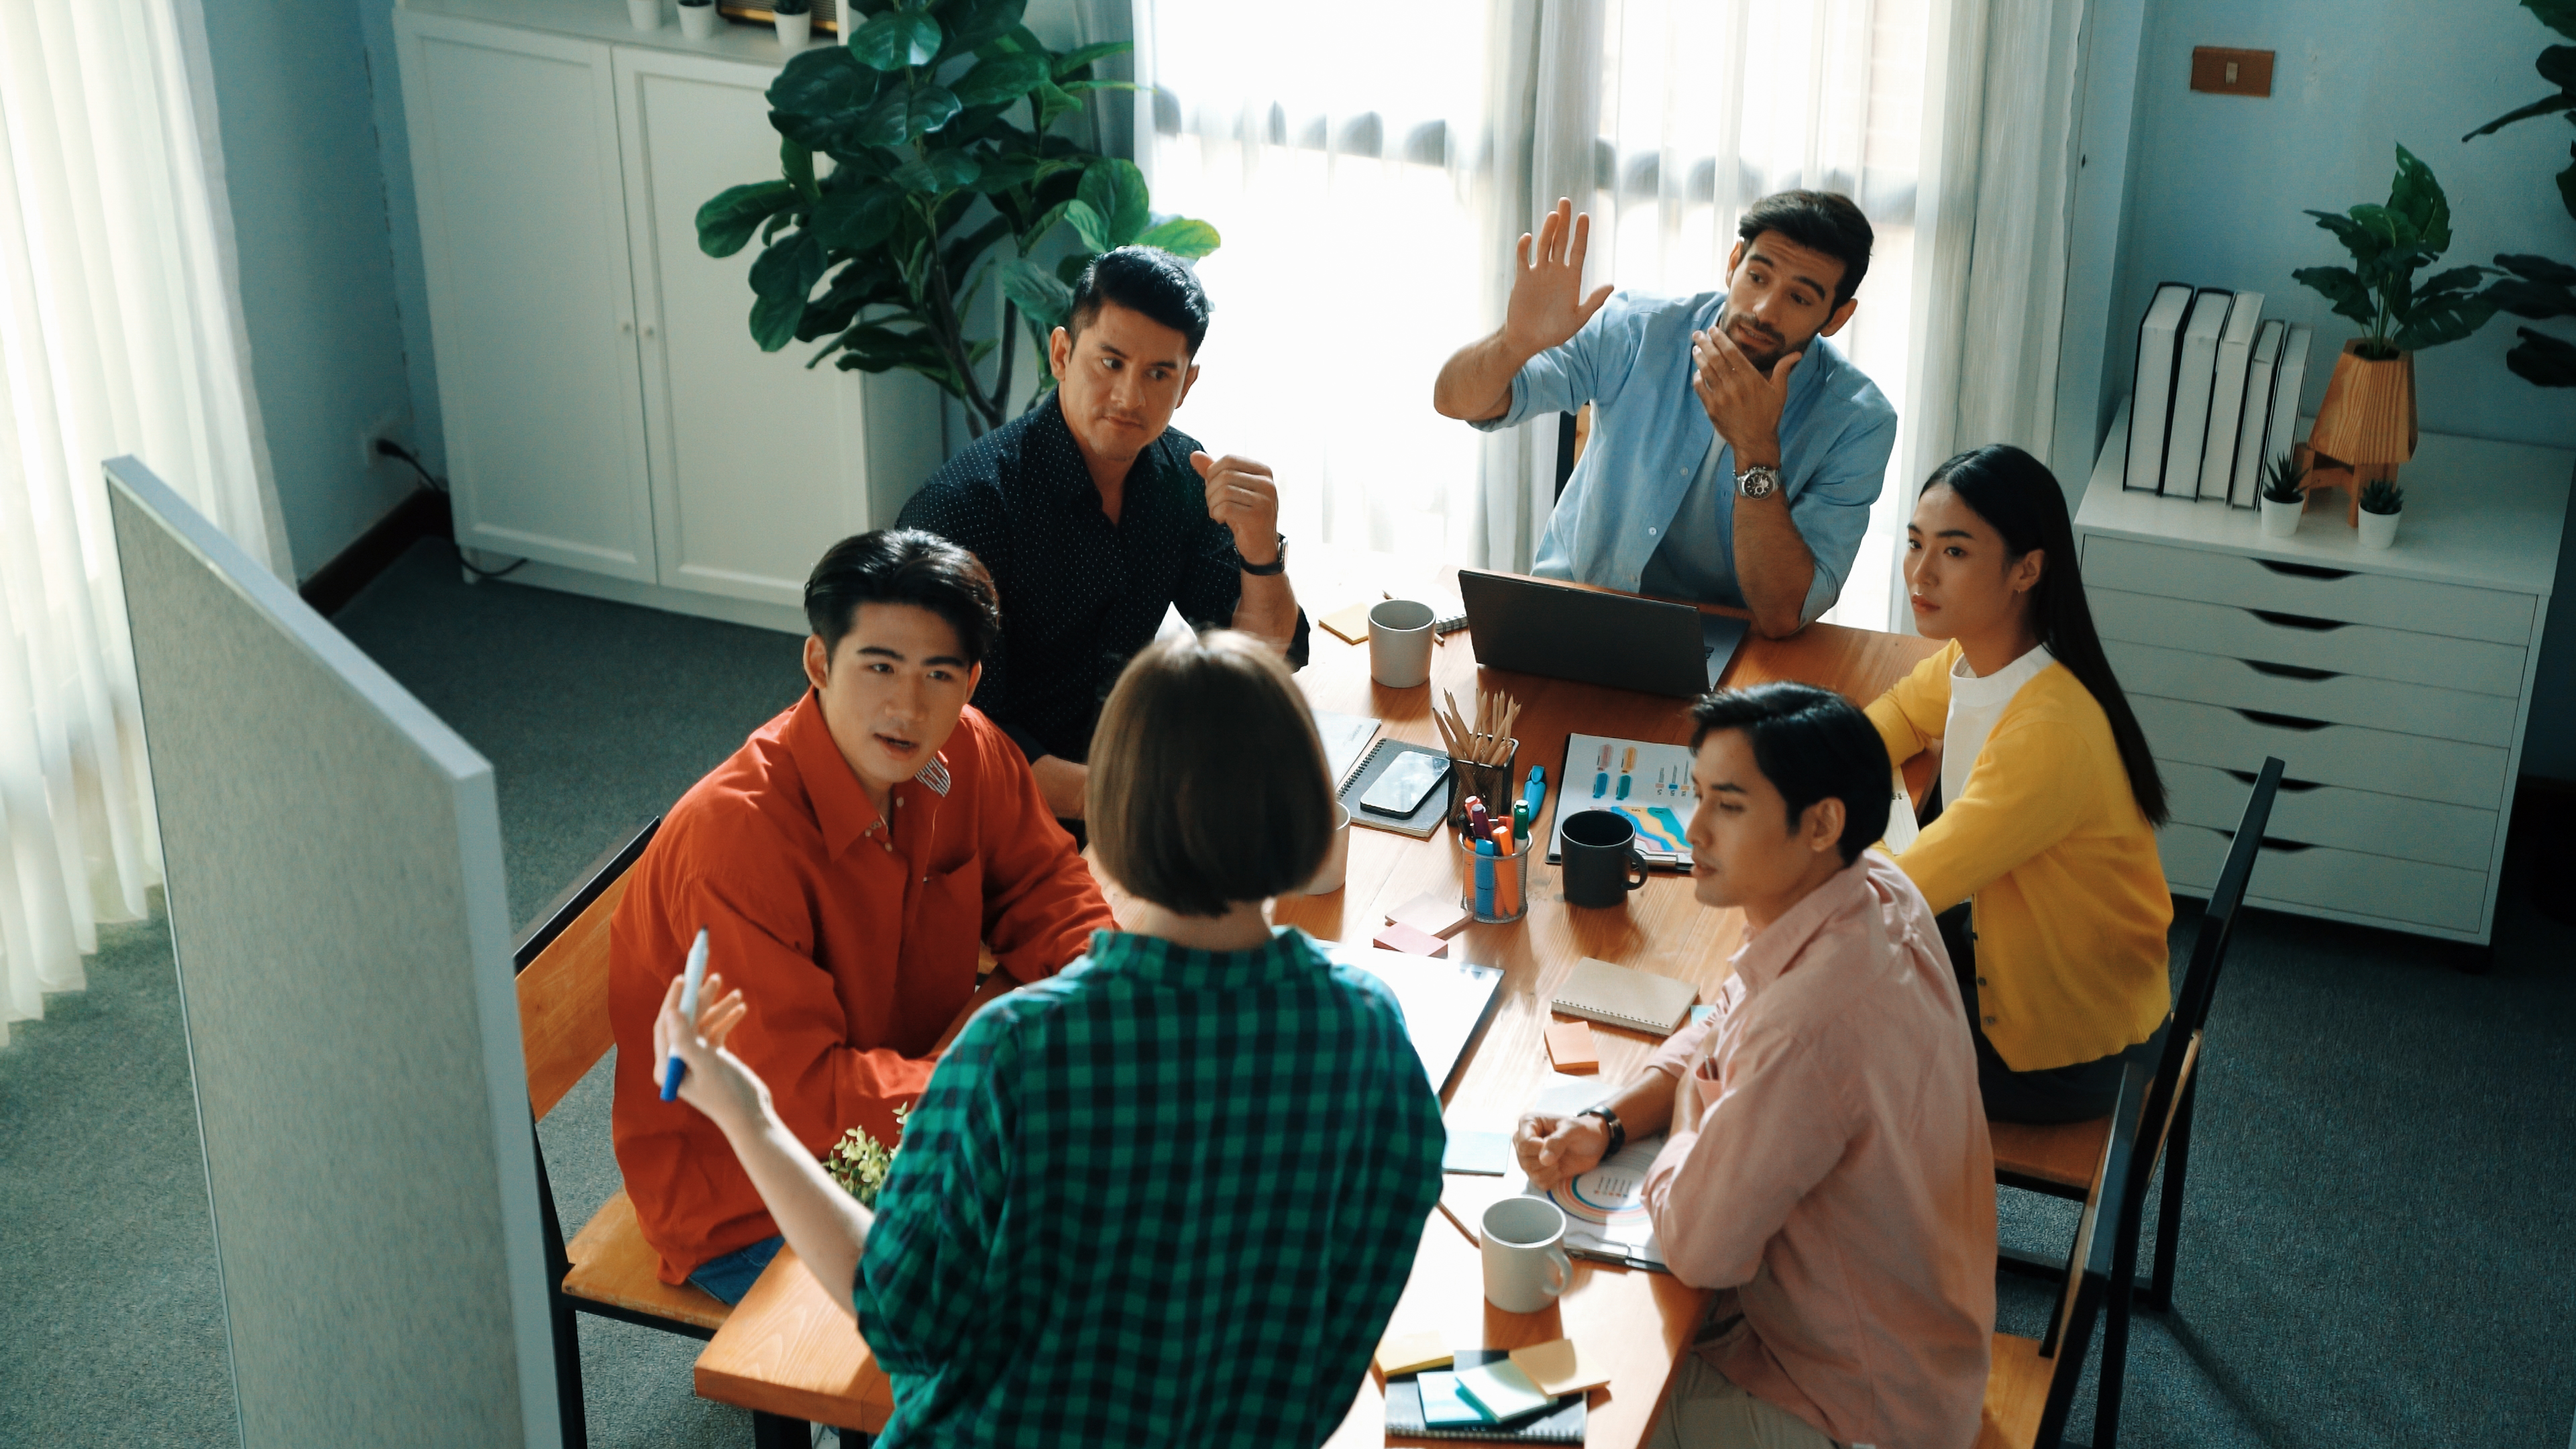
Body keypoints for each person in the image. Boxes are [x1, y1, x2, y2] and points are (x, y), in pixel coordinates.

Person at [651, 630, 1446, 1446]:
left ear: (1118, 807)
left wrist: (746, 1116)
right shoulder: (1369, 1032)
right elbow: (1365, 1279)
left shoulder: (1018, 1051)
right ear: (1308, 804)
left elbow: (900, 1317)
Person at [608, 529, 1116, 1300]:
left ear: (973, 682)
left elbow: (1044, 880)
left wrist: (1108, 984)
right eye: (879, 667)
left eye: (938, 675)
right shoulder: (736, 841)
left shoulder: (968, 749)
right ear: (819, 663)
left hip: (901, 1100)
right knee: (1067, 1271)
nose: (907, 707)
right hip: (755, 1192)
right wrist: (1002, 1087)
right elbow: (800, 1096)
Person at [1514, 683, 1993, 1449]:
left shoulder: (1807, 1028)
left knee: (1543, 1395)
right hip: (1914, 1349)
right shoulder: (1873, 887)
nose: (1692, 829)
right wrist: (1604, 1121)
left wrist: (1691, 1120)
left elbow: (1696, 1248)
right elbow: (1718, 1022)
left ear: (1820, 823)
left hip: (1850, 1412)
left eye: (1728, 807)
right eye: (1697, 796)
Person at [898, 246, 1310, 828]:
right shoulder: (966, 511)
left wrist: (1261, 553)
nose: (1129, 398)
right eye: (1110, 363)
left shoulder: (1182, 475)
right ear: (1063, 353)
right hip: (983, 818)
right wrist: (1142, 799)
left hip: (1115, 783)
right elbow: (953, 739)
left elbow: (1270, 655)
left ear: (1187, 384)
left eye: (1158, 374)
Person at [1867, 444, 2173, 1124]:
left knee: (1814, 1047)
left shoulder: (2049, 732)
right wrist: (1817, 768)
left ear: (2027, 569)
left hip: (2063, 1045)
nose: (1919, 572)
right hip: (2013, 958)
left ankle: (1895, 1226)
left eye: (1954, 552)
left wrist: (1801, 835)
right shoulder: (1983, 653)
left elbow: (1900, 889)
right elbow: (1895, 717)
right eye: (1915, 544)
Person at [1432, 193, 1896, 638]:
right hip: (1579, 606)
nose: (1762, 311)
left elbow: (1782, 614)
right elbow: (1455, 401)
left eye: (1799, 298)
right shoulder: (1637, 328)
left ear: (1836, 317)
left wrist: (1757, 450)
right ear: (1733, 263)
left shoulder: (1859, 422)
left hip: (1732, 644)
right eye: (1758, 277)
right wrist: (1516, 342)